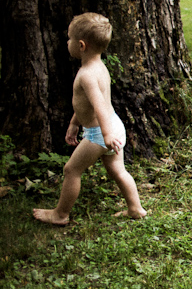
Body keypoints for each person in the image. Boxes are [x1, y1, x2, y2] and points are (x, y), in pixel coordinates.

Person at [33, 13, 147, 226]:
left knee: (71, 170)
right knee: (118, 171)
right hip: (113, 125)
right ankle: (136, 209)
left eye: (69, 39)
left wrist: (105, 135)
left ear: (81, 45)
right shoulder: (99, 67)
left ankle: (60, 214)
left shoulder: (86, 74)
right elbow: (88, 105)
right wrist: (75, 123)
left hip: (101, 133)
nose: (67, 42)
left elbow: (99, 106)